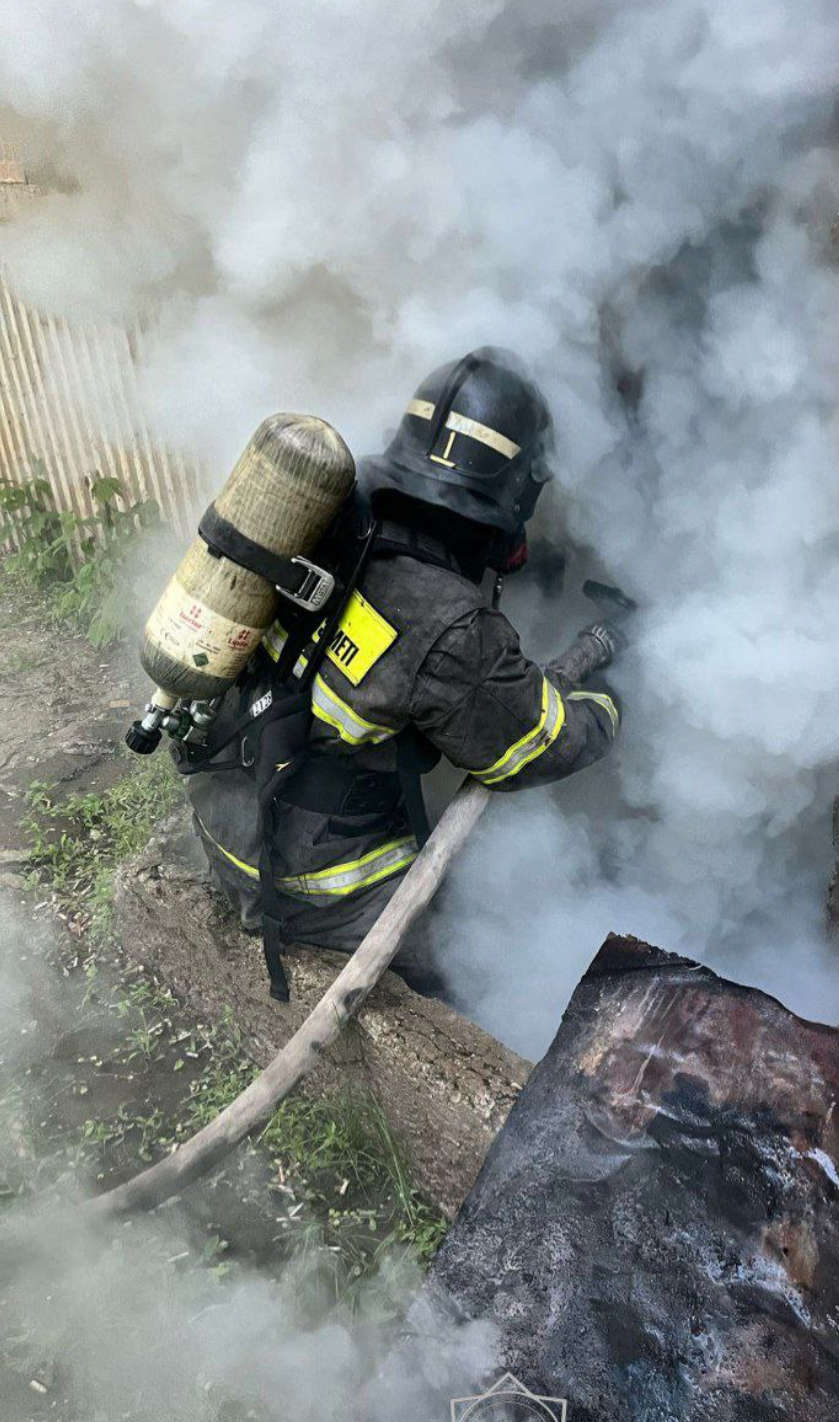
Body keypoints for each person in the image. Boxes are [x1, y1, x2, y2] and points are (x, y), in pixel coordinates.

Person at [185, 348, 621, 998]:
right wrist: (607, 700)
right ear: (517, 490)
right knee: (485, 949)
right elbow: (538, 748)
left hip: (223, 813)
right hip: (312, 883)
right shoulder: (449, 623)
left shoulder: (334, 513)